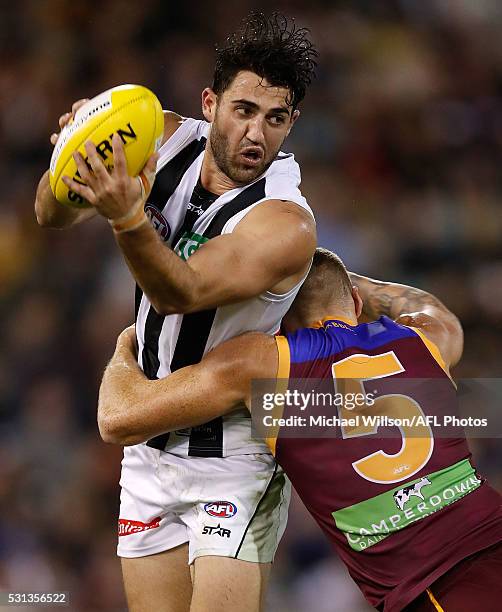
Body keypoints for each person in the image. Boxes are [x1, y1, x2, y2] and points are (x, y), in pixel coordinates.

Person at [34, 12, 318, 612]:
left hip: (233, 453)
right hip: (150, 445)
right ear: (210, 103)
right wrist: (73, 155)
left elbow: (179, 293)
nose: (255, 136)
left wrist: (127, 218)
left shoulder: (284, 222)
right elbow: (49, 216)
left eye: (276, 119)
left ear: (292, 124)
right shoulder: (157, 137)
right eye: (243, 110)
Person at [99, 248, 502, 612]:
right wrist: (336, 276)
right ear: (357, 301)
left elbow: (116, 420)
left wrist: (123, 348)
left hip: (438, 582)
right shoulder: (428, 338)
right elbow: (424, 303)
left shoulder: (265, 366)